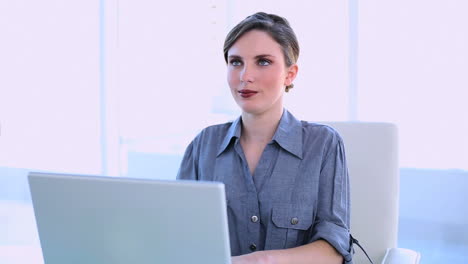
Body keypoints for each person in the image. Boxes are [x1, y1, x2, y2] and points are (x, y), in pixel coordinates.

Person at [177, 12, 353, 264]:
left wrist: (260, 261)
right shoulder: (203, 145)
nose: (245, 76)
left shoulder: (323, 144)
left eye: (263, 61)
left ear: (290, 74)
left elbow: (334, 250)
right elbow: (181, 237)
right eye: (236, 62)